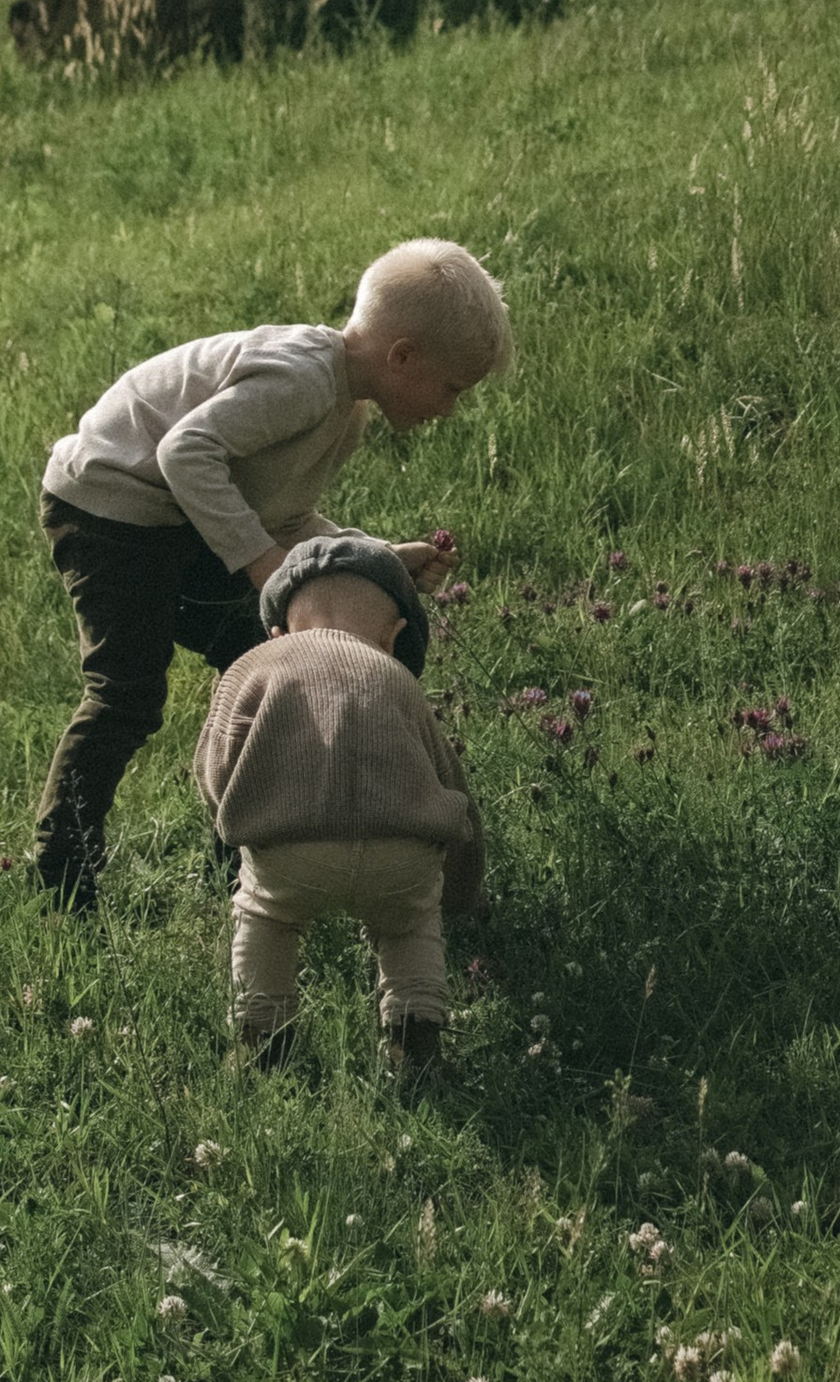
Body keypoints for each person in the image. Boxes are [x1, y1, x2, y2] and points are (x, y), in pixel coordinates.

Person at [30, 236, 509, 910]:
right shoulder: (304, 380)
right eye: (451, 388)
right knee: (127, 692)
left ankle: (243, 863)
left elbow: (280, 516)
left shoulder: (345, 406)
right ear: (403, 357)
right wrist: (261, 566)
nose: (450, 409)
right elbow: (185, 452)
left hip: (175, 520)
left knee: (262, 664)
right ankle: (60, 877)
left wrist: (371, 555)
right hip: (110, 508)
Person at [193, 531, 483, 1076]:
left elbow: (214, 764)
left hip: (292, 851)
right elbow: (457, 794)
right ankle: (413, 1042)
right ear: (394, 637)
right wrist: (464, 892)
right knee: (409, 926)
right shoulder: (400, 681)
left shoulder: (255, 666)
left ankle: (263, 1043)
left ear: (276, 633)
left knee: (267, 917)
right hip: (401, 850)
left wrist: (234, 824)